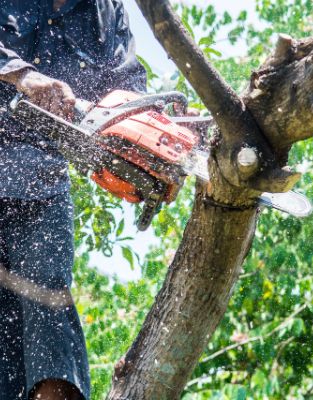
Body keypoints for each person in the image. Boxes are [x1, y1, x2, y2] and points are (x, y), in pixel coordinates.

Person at [0, 1, 146, 399]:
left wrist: (148, 140)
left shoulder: (105, 11)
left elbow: (126, 86)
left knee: (49, 300)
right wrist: (23, 76)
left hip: (41, 179)